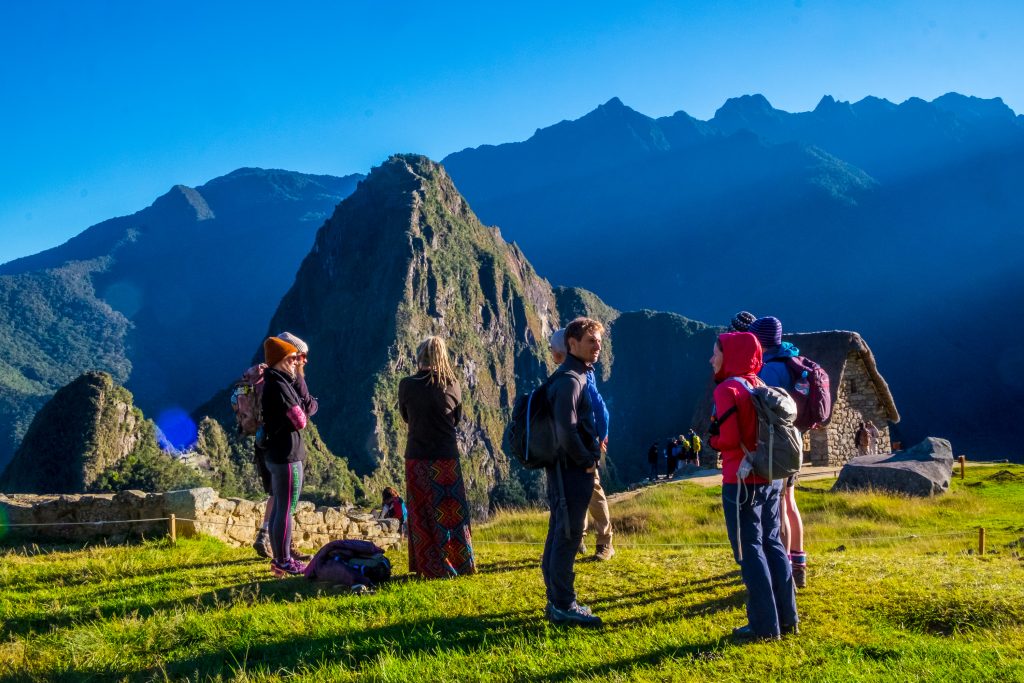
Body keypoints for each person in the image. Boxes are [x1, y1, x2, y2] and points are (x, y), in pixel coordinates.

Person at [709, 331, 798, 641]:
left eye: (716, 353)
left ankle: (762, 625)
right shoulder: (758, 384)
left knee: (750, 550)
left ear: (730, 355)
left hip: (741, 481)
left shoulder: (727, 389)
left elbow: (730, 440)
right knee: (773, 543)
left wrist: (713, 440)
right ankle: (787, 619)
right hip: (770, 478)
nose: (712, 359)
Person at [541, 317, 604, 627]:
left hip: (566, 470)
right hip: (571, 472)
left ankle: (556, 599)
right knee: (568, 534)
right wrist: (586, 461)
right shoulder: (570, 380)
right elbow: (567, 431)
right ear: (572, 344)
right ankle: (564, 604)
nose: (598, 346)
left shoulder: (574, 375)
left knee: (560, 531)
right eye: (591, 340)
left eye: (599, 341)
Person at [399, 336, 476, 579]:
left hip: (417, 456)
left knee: (421, 512)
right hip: (446, 457)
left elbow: (405, 416)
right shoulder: (452, 383)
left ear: (420, 356)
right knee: (451, 512)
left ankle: (427, 566)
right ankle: (458, 563)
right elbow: (456, 419)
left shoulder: (407, 385)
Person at [749, 316, 808, 589]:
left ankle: (782, 568)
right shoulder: (790, 359)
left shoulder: (769, 371)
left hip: (779, 445)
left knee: (779, 504)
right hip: (795, 441)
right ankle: (799, 563)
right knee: (791, 503)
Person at [550, 327, 615, 562]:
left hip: (586, 444)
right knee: (576, 493)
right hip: (572, 446)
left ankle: (605, 542)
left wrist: (600, 438)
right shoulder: (568, 374)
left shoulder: (581, 376)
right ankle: (579, 539)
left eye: (554, 348)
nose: (551, 352)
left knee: (592, 492)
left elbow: (600, 408)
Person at [253, 332, 317, 563]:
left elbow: (304, 408)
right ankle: (283, 558)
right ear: (282, 358)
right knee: (285, 509)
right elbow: (301, 417)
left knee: (282, 505)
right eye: (295, 357)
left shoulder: (276, 380)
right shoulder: (280, 384)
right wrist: (305, 406)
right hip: (285, 454)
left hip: (274, 450)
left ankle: (282, 554)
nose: (299, 362)